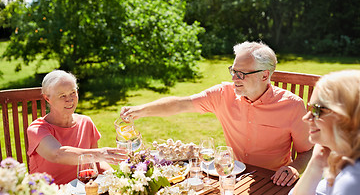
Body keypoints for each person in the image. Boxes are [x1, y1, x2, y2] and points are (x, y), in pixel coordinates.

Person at [120, 41, 313, 186]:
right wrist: (140, 110)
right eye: (233, 71)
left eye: (242, 74)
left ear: (265, 75)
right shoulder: (223, 94)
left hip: (272, 181)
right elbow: (180, 104)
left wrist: (294, 168)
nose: (234, 79)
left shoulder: (292, 106)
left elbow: (308, 150)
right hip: (233, 174)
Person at [27, 70, 126, 185]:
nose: (69, 99)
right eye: (62, 95)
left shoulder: (86, 122)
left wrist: (119, 180)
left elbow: (97, 164)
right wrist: (100, 154)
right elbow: (57, 154)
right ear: (47, 99)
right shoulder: (37, 129)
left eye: (72, 92)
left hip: (83, 193)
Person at [288, 70, 360, 195]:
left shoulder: (352, 183)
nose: (306, 118)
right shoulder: (346, 161)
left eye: (317, 110)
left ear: (347, 117)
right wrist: (318, 160)